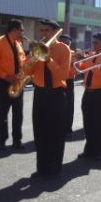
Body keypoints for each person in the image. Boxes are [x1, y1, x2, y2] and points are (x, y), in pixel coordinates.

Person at [23, 19, 70, 177]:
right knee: (40, 132)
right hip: (40, 93)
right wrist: (32, 56)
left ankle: (54, 169)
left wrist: (48, 59)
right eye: (41, 30)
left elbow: (63, 75)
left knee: (56, 133)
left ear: (55, 32)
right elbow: (27, 71)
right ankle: (41, 168)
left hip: (56, 95)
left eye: (46, 30)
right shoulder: (37, 48)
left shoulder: (64, 49)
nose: (43, 33)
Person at [0, 19, 26, 150]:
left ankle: (17, 140)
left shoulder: (18, 44)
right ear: (15, 30)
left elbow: (22, 61)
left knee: (18, 113)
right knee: (3, 113)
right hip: (3, 83)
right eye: (21, 30)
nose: (23, 32)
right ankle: (2, 141)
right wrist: (6, 76)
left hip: (18, 82)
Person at [74, 32, 101, 161]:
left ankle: (98, 151)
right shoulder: (92, 55)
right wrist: (77, 60)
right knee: (88, 123)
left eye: (96, 43)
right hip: (89, 92)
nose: (93, 45)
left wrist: (88, 60)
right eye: (93, 42)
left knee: (99, 124)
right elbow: (83, 68)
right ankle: (89, 149)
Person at [59, 34, 76, 137]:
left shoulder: (73, 54)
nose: (65, 45)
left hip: (69, 82)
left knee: (69, 106)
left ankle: (67, 128)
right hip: (58, 81)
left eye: (67, 43)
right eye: (63, 43)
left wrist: (74, 64)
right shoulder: (55, 53)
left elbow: (76, 71)